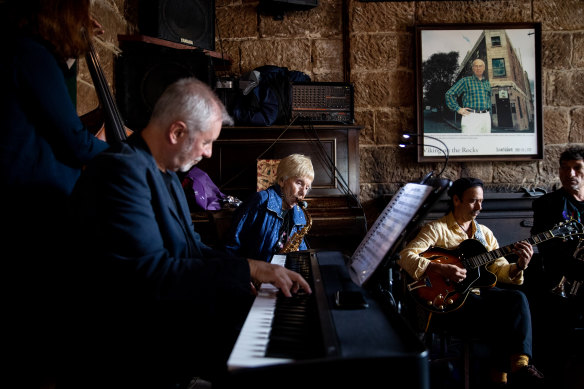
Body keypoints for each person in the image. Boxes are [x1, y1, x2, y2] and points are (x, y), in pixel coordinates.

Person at [66, 77, 311, 388]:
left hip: (167, 323)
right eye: (206, 142)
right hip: (129, 348)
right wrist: (247, 268)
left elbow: (193, 249)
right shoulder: (119, 172)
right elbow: (152, 275)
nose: (209, 153)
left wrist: (247, 275)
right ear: (177, 131)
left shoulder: (164, 173)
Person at [0, 1, 110, 386]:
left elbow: (57, 123)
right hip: (34, 206)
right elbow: (76, 145)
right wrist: (131, 152)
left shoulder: (27, 52)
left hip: (36, 201)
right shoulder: (31, 53)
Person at [399, 177, 544, 388]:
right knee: (502, 315)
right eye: (473, 201)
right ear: (456, 200)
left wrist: (520, 265)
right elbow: (406, 255)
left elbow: (499, 270)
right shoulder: (436, 229)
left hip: (477, 298)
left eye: (481, 201)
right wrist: (439, 267)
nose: (479, 207)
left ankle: (520, 365)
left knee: (516, 298)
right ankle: (498, 375)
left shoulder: (484, 234)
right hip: (448, 304)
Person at [531, 146, 584, 388]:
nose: (570, 173)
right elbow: (548, 251)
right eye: (564, 168)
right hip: (561, 278)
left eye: (577, 168)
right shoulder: (547, 205)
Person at [224, 154, 314, 262]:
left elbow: (303, 250)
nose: (303, 193)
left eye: (307, 188)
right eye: (299, 183)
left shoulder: (299, 213)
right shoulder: (260, 201)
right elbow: (231, 244)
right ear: (281, 180)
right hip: (255, 274)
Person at [445, 58, 492, 134]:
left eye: (480, 66)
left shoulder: (487, 83)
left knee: (485, 142)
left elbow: (489, 100)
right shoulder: (465, 81)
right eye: (476, 66)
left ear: (484, 68)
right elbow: (449, 94)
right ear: (473, 68)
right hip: (471, 116)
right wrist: (458, 109)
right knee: (470, 142)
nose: (478, 68)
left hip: (486, 117)